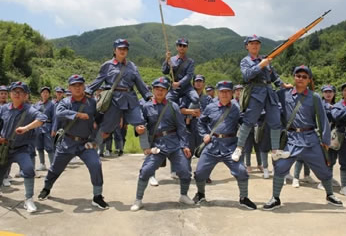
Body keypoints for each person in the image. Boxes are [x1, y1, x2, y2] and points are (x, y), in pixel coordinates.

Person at [264, 66, 343, 210]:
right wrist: (275, 76)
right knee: (280, 167)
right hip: (291, 139)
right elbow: (269, 93)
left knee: (323, 169)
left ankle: (330, 194)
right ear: (294, 77)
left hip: (310, 139)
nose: (300, 78)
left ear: (309, 80)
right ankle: (275, 198)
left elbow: (322, 119)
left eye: (304, 77)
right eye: (298, 75)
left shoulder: (314, 97)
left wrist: (325, 140)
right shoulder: (283, 94)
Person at [38, 75, 108, 209]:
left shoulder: (91, 102)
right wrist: (77, 115)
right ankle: (46, 188)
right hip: (67, 142)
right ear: (69, 88)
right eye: (74, 86)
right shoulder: (65, 102)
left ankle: (97, 196)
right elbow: (59, 113)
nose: (77, 88)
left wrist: (96, 137)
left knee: (96, 165)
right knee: (55, 168)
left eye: (80, 85)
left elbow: (99, 119)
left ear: (84, 86)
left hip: (85, 143)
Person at [0, 81, 47, 213]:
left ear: (26, 96)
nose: (17, 94)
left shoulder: (30, 110)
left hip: (22, 148)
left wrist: (26, 128)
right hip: (5, 147)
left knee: (28, 170)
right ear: (10, 94)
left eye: (21, 92)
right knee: (0, 169)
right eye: (14, 92)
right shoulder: (4, 108)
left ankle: (28, 199)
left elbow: (42, 118)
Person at [130, 77, 194, 211]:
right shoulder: (145, 106)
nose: (160, 91)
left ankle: (183, 195)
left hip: (174, 143)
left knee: (185, 170)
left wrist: (185, 145)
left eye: (163, 89)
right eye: (157, 89)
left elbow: (181, 127)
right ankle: (138, 199)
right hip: (157, 145)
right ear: (153, 90)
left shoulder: (173, 106)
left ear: (167, 91)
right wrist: (138, 130)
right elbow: (140, 125)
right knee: (146, 170)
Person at [192, 81, 257, 210]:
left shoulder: (237, 108)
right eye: (222, 92)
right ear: (217, 93)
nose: (225, 94)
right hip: (212, 145)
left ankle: (244, 198)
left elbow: (244, 123)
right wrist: (204, 134)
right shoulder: (211, 107)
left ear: (232, 93)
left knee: (241, 171)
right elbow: (201, 122)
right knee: (199, 172)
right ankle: (200, 194)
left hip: (230, 145)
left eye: (228, 91)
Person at [232, 35, 291, 164]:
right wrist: (260, 65)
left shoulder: (265, 59)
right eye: (252, 43)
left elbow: (274, 76)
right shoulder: (245, 61)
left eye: (257, 43)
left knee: (275, 121)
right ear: (247, 46)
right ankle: (239, 147)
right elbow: (247, 75)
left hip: (269, 92)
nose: (255, 45)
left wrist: (283, 85)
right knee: (249, 120)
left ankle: (275, 151)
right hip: (255, 93)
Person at [86, 39, 152, 148]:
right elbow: (98, 80)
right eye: (120, 48)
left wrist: (148, 95)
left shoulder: (132, 66)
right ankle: (94, 145)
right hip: (113, 101)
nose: (123, 51)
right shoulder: (107, 65)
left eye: (125, 49)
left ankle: (147, 150)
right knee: (107, 128)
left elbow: (139, 82)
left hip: (130, 99)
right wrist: (88, 91)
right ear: (114, 50)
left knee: (140, 124)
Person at [162, 38, 198, 106]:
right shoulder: (171, 59)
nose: (182, 47)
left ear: (187, 48)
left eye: (184, 46)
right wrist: (166, 60)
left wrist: (179, 83)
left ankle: (188, 113)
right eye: (180, 45)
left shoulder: (190, 61)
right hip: (174, 88)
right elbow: (164, 71)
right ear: (177, 47)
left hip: (187, 87)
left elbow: (189, 75)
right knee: (166, 101)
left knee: (195, 98)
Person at [34, 86, 55, 170]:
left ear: (49, 94)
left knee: (49, 147)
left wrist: (54, 128)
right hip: (38, 127)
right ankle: (42, 164)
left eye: (47, 92)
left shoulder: (52, 104)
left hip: (48, 127)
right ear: (41, 94)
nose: (45, 94)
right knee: (39, 147)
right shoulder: (36, 104)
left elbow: (55, 117)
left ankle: (53, 164)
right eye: (43, 92)